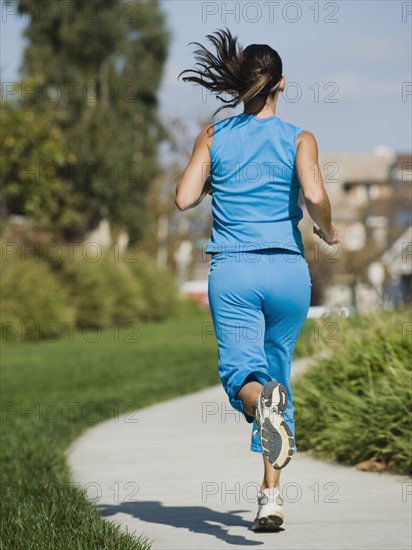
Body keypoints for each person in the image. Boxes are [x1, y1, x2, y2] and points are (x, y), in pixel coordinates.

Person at [175, 28, 339, 532]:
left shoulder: (214, 135)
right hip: (288, 271)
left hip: (235, 270)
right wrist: (328, 231)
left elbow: (183, 198)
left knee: (243, 378)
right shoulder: (300, 137)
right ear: (281, 85)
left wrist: (211, 184)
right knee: (276, 379)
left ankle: (261, 409)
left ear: (240, 83)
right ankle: (270, 500)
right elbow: (313, 194)